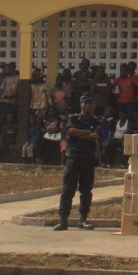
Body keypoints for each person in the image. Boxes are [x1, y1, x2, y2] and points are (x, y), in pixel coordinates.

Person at [54, 94, 99, 231]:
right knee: (67, 189)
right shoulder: (73, 118)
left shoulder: (95, 120)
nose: (87, 106)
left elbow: (95, 136)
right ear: (80, 105)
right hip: (73, 157)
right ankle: (63, 220)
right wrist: (86, 133)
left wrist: (80, 134)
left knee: (86, 190)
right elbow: (70, 131)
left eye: (90, 103)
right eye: (85, 103)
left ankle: (83, 219)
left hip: (87, 158)